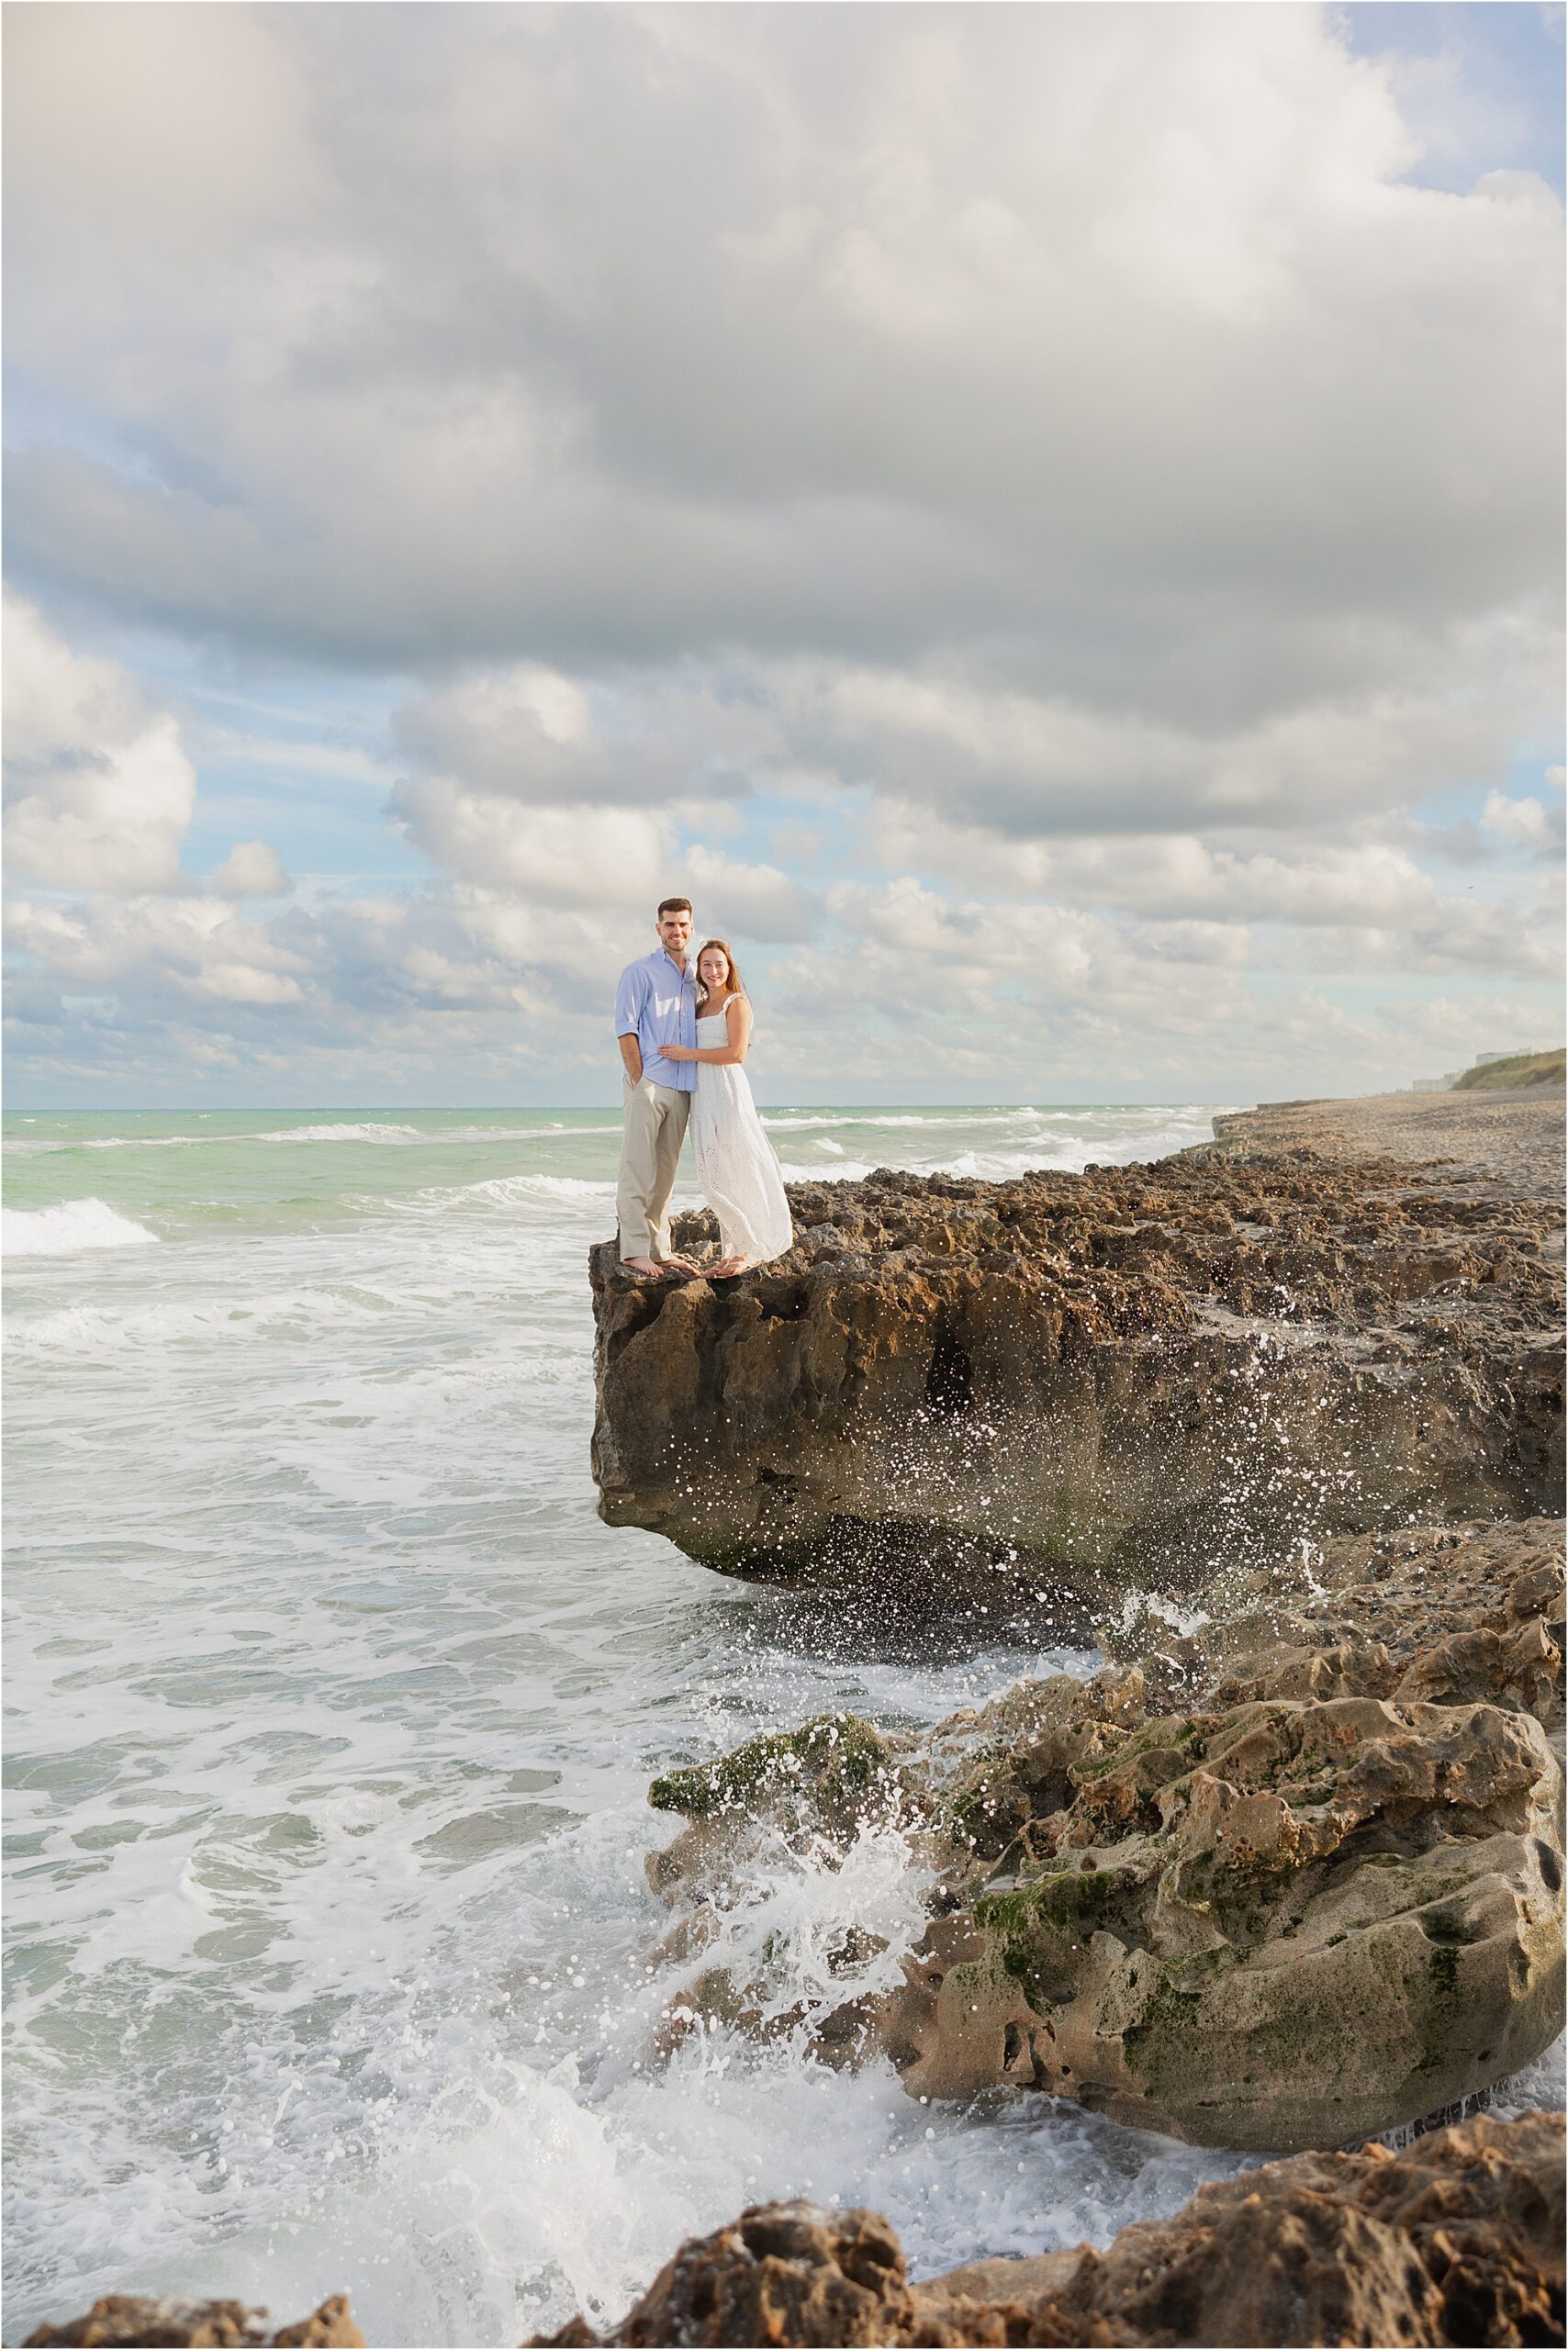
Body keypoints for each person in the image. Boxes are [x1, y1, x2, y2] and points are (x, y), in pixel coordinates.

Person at [660, 938, 793, 1277]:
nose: (713, 970)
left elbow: (737, 1053)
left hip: (728, 1090)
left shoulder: (737, 1003)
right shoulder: (699, 1005)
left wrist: (688, 1054)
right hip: (702, 1093)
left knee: (738, 1165)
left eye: (719, 964)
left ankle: (750, 1248)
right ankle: (734, 1248)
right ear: (699, 970)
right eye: (707, 965)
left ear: (729, 968)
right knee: (714, 1174)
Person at [613, 898, 700, 1281]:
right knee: (637, 1169)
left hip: (683, 1087)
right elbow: (625, 1027)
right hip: (649, 1084)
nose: (676, 931)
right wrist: (638, 1078)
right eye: (669, 925)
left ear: (691, 929)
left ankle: (660, 1249)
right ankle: (633, 1250)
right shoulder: (639, 972)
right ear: (658, 928)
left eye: (682, 925)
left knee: (665, 1175)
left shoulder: (699, 974)